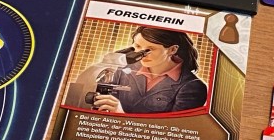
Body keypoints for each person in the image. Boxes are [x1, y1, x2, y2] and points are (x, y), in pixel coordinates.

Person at [70, 26, 207, 114]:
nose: (142, 54)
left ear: (172, 49)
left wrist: (121, 115)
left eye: (150, 49)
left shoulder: (192, 87)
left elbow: (174, 130)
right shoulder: (123, 69)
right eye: (137, 46)